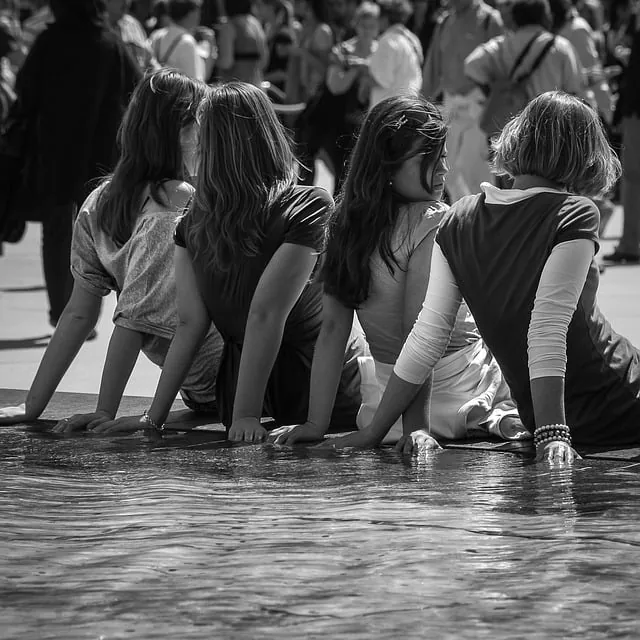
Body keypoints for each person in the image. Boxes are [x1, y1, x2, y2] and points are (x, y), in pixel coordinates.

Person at [324, 92, 640, 465]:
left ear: (517, 140)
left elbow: (427, 334)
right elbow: (547, 328)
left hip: (546, 416)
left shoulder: (459, 218)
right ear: (585, 156)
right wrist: (553, 435)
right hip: (616, 402)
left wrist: (374, 431)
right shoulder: (574, 214)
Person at [96, 82, 364, 441]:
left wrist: (246, 415)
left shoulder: (308, 207)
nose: (194, 151)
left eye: (203, 142)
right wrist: (154, 417)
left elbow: (265, 313)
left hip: (315, 395)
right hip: (255, 397)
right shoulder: (192, 224)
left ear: (223, 150)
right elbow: (189, 324)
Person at [273, 94, 526, 449]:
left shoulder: (345, 225)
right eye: (428, 159)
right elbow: (420, 334)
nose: (443, 170)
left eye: (443, 157)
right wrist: (416, 430)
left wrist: (317, 422)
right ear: (386, 164)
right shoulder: (434, 221)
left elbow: (332, 330)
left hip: (381, 399)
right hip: (456, 393)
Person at [0, 70, 223, 430]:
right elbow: (133, 318)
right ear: (181, 129)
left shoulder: (99, 202)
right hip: (223, 381)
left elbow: (78, 314)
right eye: (204, 126)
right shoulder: (178, 202)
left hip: (201, 391)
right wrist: (106, 412)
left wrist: (31, 404)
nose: (207, 140)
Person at [8, 0, 141, 329]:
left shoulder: (49, 42)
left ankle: (59, 311)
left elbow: (25, 93)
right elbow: (135, 90)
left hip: (53, 152)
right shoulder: (110, 43)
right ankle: (87, 314)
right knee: (96, 232)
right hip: (99, 153)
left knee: (56, 232)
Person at [422, 0, 503, 202]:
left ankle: (487, 216)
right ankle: (466, 215)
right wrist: (421, 104)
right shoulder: (445, 22)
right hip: (450, 103)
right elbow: (433, 66)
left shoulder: (490, 19)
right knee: (445, 168)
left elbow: (501, 67)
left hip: (480, 102)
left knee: (477, 168)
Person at [324, 0, 379, 191]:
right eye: (363, 25)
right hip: (344, 124)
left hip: (372, 124)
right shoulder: (343, 51)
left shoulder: (383, 52)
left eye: (371, 26)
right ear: (356, 24)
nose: (367, 31)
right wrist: (355, 70)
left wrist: (366, 67)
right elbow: (335, 86)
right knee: (343, 177)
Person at [367, 0, 423, 107]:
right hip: (410, 105)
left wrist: (361, 70)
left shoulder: (387, 41)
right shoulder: (413, 39)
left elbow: (382, 79)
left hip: (389, 111)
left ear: (385, 18)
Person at [150, 0, 215, 81]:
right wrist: (212, 46)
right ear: (191, 14)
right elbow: (198, 82)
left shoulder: (156, 35)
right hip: (178, 92)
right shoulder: (187, 42)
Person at [216, 0, 268, 85]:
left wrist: (213, 59)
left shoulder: (228, 26)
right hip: (255, 86)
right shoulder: (255, 24)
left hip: (235, 90)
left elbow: (226, 62)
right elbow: (264, 61)